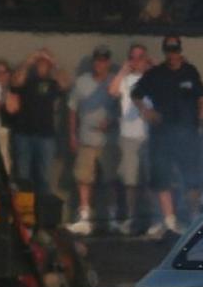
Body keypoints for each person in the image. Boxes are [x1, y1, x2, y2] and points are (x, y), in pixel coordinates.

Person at [131, 34, 203, 238]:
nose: (172, 54)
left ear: (180, 51)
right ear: (164, 51)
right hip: (162, 134)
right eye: (169, 50)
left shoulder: (190, 71)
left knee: (191, 177)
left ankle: (194, 218)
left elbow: (202, 97)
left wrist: (201, 119)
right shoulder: (155, 74)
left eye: (175, 50)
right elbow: (136, 93)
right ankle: (169, 220)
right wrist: (146, 111)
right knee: (162, 177)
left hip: (187, 133)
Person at [65, 44, 117, 235]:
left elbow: (123, 108)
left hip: (109, 140)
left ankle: (111, 217)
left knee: (111, 179)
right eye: (97, 61)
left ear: (108, 63)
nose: (100, 64)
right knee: (84, 178)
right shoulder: (82, 81)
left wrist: (112, 120)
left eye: (103, 61)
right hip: (86, 138)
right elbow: (72, 109)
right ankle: (85, 216)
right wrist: (72, 134)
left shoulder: (115, 81)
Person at [10, 48, 71, 198]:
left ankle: (43, 207)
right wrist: (28, 61)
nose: (42, 66)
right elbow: (15, 82)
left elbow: (65, 84)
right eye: (39, 63)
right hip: (24, 134)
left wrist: (54, 63)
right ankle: (23, 207)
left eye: (45, 63)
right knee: (23, 175)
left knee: (44, 177)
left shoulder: (53, 83)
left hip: (46, 136)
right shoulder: (26, 81)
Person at [108, 42, 151, 235]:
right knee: (130, 181)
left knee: (150, 180)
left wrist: (153, 66)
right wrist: (123, 70)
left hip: (149, 135)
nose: (136, 61)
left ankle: (153, 218)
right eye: (133, 57)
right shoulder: (125, 80)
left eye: (140, 57)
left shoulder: (154, 78)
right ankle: (131, 217)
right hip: (128, 135)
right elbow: (112, 91)